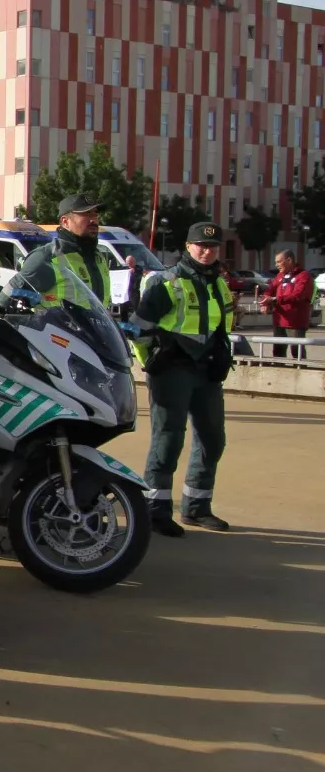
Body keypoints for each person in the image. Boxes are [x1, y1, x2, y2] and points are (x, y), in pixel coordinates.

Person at [131, 221, 235, 536]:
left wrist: (222, 354)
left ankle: (197, 508)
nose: (207, 251)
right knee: (168, 440)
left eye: (213, 247)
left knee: (213, 439)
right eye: (200, 245)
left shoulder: (219, 283)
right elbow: (138, 329)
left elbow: (221, 326)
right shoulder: (166, 282)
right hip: (172, 370)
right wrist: (150, 362)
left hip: (206, 371)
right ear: (187, 247)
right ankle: (156, 510)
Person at [4, 193, 109, 309]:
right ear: (65, 222)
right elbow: (6, 298)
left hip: (93, 327)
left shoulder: (99, 257)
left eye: (95, 214)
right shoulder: (46, 258)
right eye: (86, 214)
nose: (93, 220)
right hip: (55, 327)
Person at [259, 249, 313, 359]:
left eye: (279, 262)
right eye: (276, 262)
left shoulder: (303, 276)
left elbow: (297, 296)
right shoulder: (279, 276)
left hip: (295, 322)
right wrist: (265, 302)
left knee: (297, 353)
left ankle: (299, 373)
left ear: (289, 260)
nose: (276, 265)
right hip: (279, 320)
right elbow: (269, 290)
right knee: (278, 352)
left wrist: (274, 300)